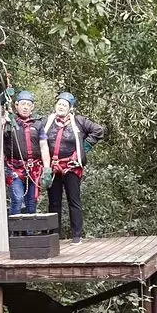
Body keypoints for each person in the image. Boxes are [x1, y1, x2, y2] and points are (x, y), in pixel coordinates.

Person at [44, 92, 104, 244]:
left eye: (65, 105)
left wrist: (83, 149)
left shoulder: (78, 121)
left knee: (74, 200)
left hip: (71, 166)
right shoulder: (47, 122)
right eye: (59, 104)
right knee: (54, 202)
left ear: (70, 108)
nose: (61, 106)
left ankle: (76, 235)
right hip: (53, 167)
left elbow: (98, 131)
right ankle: (53, 235)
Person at [3, 90, 53, 215]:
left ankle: (29, 233)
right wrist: (3, 99)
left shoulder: (37, 124)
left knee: (31, 202)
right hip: (14, 168)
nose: (25, 107)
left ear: (32, 107)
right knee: (17, 199)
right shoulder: (9, 122)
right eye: (23, 104)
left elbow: (44, 147)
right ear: (16, 105)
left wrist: (47, 169)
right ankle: (15, 233)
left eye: (28, 105)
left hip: (33, 168)